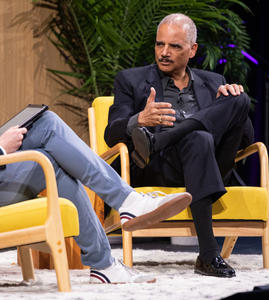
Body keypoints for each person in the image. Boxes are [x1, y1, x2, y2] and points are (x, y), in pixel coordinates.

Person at [0, 5, 192, 284]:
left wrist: (2, 145)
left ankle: (107, 258)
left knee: (50, 149)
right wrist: (0, 148)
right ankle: (125, 210)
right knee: (47, 128)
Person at [105, 13, 255, 278]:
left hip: (210, 165)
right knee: (199, 137)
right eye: (159, 44)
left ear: (192, 49)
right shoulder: (131, 80)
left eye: (174, 46)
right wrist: (138, 120)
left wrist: (229, 104)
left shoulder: (214, 82)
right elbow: (111, 133)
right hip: (159, 165)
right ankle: (209, 256)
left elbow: (246, 141)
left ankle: (159, 139)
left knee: (240, 99)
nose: (164, 52)